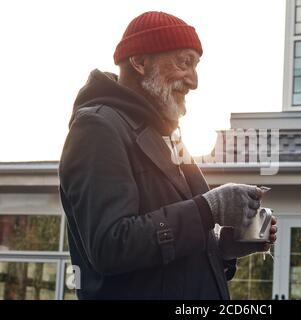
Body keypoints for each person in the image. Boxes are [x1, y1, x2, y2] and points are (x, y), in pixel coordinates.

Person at [59, 11, 277, 300]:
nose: (195, 81)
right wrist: (208, 209)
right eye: (184, 62)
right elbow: (110, 246)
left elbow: (167, 257)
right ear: (139, 61)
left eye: (196, 65)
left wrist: (223, 248)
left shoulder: (169, 137)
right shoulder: (98, 128)